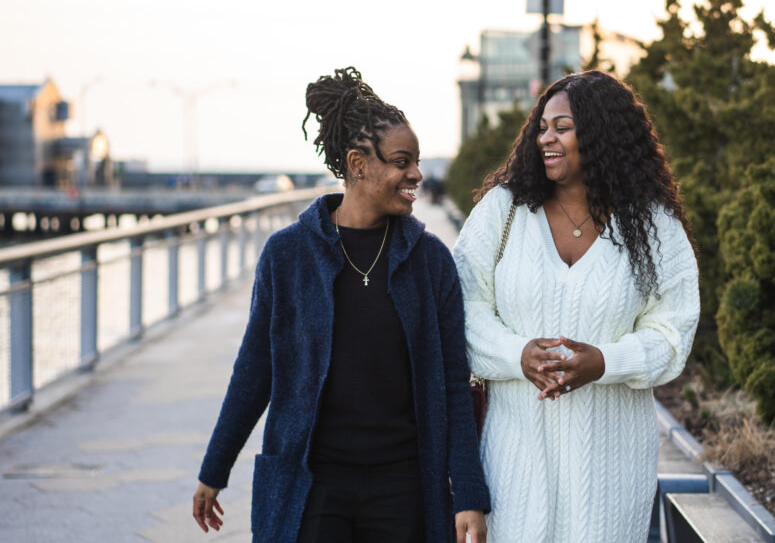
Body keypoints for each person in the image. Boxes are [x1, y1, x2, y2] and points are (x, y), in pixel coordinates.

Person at [193, 67, 489, 543]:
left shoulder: (431, 261)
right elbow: (254, 371)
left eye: (415, 162)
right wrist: (215, 468)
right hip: (313, 484)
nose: (416, 173)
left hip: (404, 487)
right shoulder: (287, 255)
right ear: (357, 164)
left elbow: (454, 384)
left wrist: (470, 494)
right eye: (401, 161)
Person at [452, 70, 699, 542]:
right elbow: (463, 309)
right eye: (542, 127)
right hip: (513, 462)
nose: (546, 138)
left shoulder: (654, 226)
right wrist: (516, 354)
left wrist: (605, 362)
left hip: (612, 469)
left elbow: (673, 334)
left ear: (601, 134)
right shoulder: (503, 211)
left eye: (561, 127)